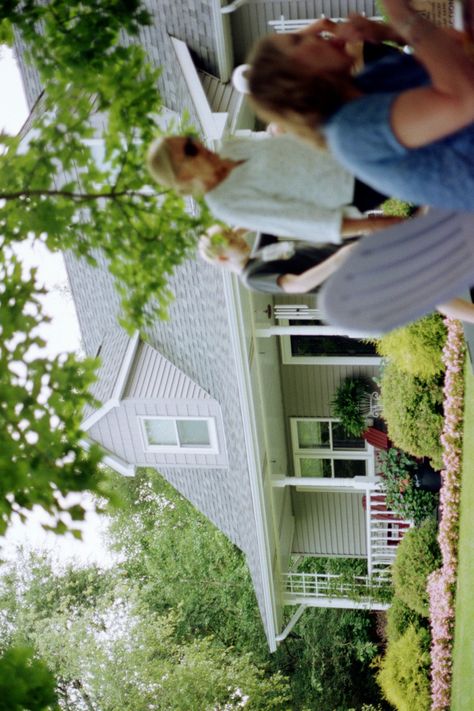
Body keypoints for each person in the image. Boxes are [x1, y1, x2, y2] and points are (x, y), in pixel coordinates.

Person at [244, 7, 474, 211]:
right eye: (297, 40)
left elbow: (457, 45)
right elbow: (466, 97)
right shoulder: (349, 131)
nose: (314, 33)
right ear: (292, 78)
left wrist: (390, 33)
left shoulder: (368, 81)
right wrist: (397, 10)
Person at [146, 132, 406, 245]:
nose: (200, 144)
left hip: (348, 145)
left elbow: (291, 142)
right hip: (353, 184)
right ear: (182, 176)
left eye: (192, 139)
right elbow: (299, 222)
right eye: (190, 149)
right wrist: (374, 225)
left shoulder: (231, 148)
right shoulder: (225, 203)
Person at [198, 223, 474, 325]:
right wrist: (340, 258)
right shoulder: (252, 276)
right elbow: (297, 284)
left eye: (235, 236)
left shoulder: (256, 255)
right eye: (233, 242)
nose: (239, 241)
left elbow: (264, 220)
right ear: (223, 258)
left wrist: (232, 228)